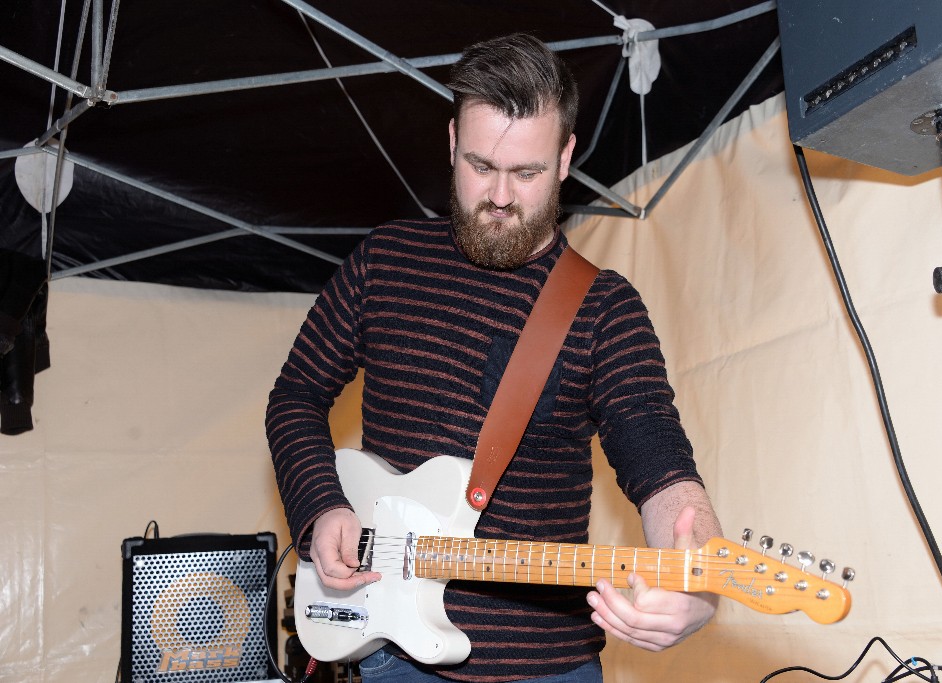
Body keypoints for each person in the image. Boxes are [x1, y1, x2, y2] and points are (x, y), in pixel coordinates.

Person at [266, 32, 721, 683]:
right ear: (452, 142)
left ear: (566, 157)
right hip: (394, 652)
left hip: (548, 666)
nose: (501, 196)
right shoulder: (384, 261)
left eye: (528, 172)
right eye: (481, 165)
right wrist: (322, 504)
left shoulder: (603, 308)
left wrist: (698, 585)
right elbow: (296, 394)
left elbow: (661, 465)